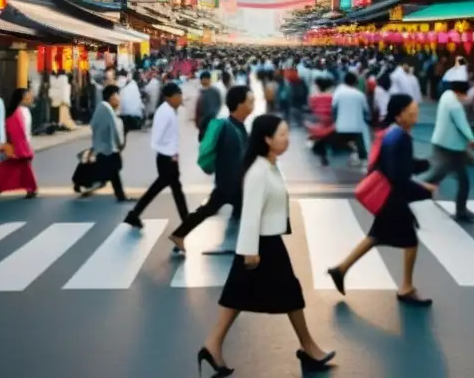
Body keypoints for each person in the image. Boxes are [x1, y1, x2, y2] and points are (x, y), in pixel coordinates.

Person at [199, 114, 335, 376]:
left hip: (267, 240)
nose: (287, 139)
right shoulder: (259, 171)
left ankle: (212, 345)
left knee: (238, 296)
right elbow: (250, 212)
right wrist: (250, 251)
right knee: (288, 294)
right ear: (267, 139)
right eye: (282, 135)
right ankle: (307, 346)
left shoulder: (269, 165)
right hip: (261, 244)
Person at [328, 94, 436, 305]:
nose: (416, 116)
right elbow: (399, 176)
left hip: (387, 199)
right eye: (412, 112)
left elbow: (400, 165)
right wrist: (425, 190)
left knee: (375, 236)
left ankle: (340, 269)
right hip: (393, 200)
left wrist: (423, 165)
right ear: (399, 115)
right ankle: (405, 288)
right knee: (410, 242)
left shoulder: (393, 134)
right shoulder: (401, 138)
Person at [170, 85, 253, 254]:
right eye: (250, 101)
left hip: (232, 182)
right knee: (210, 210)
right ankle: (179, 235)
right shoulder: (229, 128)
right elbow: (233, 158)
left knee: (212, 209)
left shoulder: (237, 126)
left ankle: (179, 235)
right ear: (239, 104)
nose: (253, 104)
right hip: (230, 183)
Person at [124, 83, 191, 234]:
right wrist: (171, 154)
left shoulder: (170, 111)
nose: (180, 99)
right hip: (166, 158)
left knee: (165, 189)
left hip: (168, 157)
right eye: (177, 96)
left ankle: (134, 214)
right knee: (172, 189)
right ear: (169, 97)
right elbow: (157, 138)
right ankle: (186, 222)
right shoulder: (165, 113)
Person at [424, 80, 474, 222]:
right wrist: (472, 139)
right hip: (451, 148)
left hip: (442, 143)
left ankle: (407, 196)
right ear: (460, 92)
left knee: (438, 176)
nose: (466, 97)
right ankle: (461, 212)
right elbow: (462, 124)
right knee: (458, 180)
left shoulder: (445, 96)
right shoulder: (455, 105)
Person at [0, 88, 37, 199]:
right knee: (18, 167)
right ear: (21, 98)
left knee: (10, 167)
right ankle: (30, 189)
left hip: (20, 145)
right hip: (18, 146)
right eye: (28, 95)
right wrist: (23, 147)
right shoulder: (18, 112)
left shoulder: (22, 111)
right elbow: (18, 133)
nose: (31, 98)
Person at [86, 84, 128, 201]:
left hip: (104, 147)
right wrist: (120, 142)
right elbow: (115, 129)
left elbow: (93, 125)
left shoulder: (102, 107)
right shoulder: (107, 110)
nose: (119, 99)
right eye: (117, 95)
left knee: (113, 171)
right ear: (112, 96)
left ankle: (119, 194)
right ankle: (119, 194)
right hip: (107, 147)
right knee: (113, 169)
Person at [330, 72, 370, 166]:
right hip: (356, 127)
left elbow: (333, 107)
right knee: (360, 143)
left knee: (336, 143)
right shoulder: (360, 95)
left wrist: (334, 120)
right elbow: (366, 111)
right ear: (355, 82)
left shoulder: (338, 93)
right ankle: (362, 157)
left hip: (341, 126)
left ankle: (340, 153)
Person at [195, 71, 223, 141]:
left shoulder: (215, 91)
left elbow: (218, 105)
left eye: (206, 79)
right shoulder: (198, 92)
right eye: (203, 80)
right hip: (202, 122)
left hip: (211, 121)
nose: (204, 82)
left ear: (209, 80)